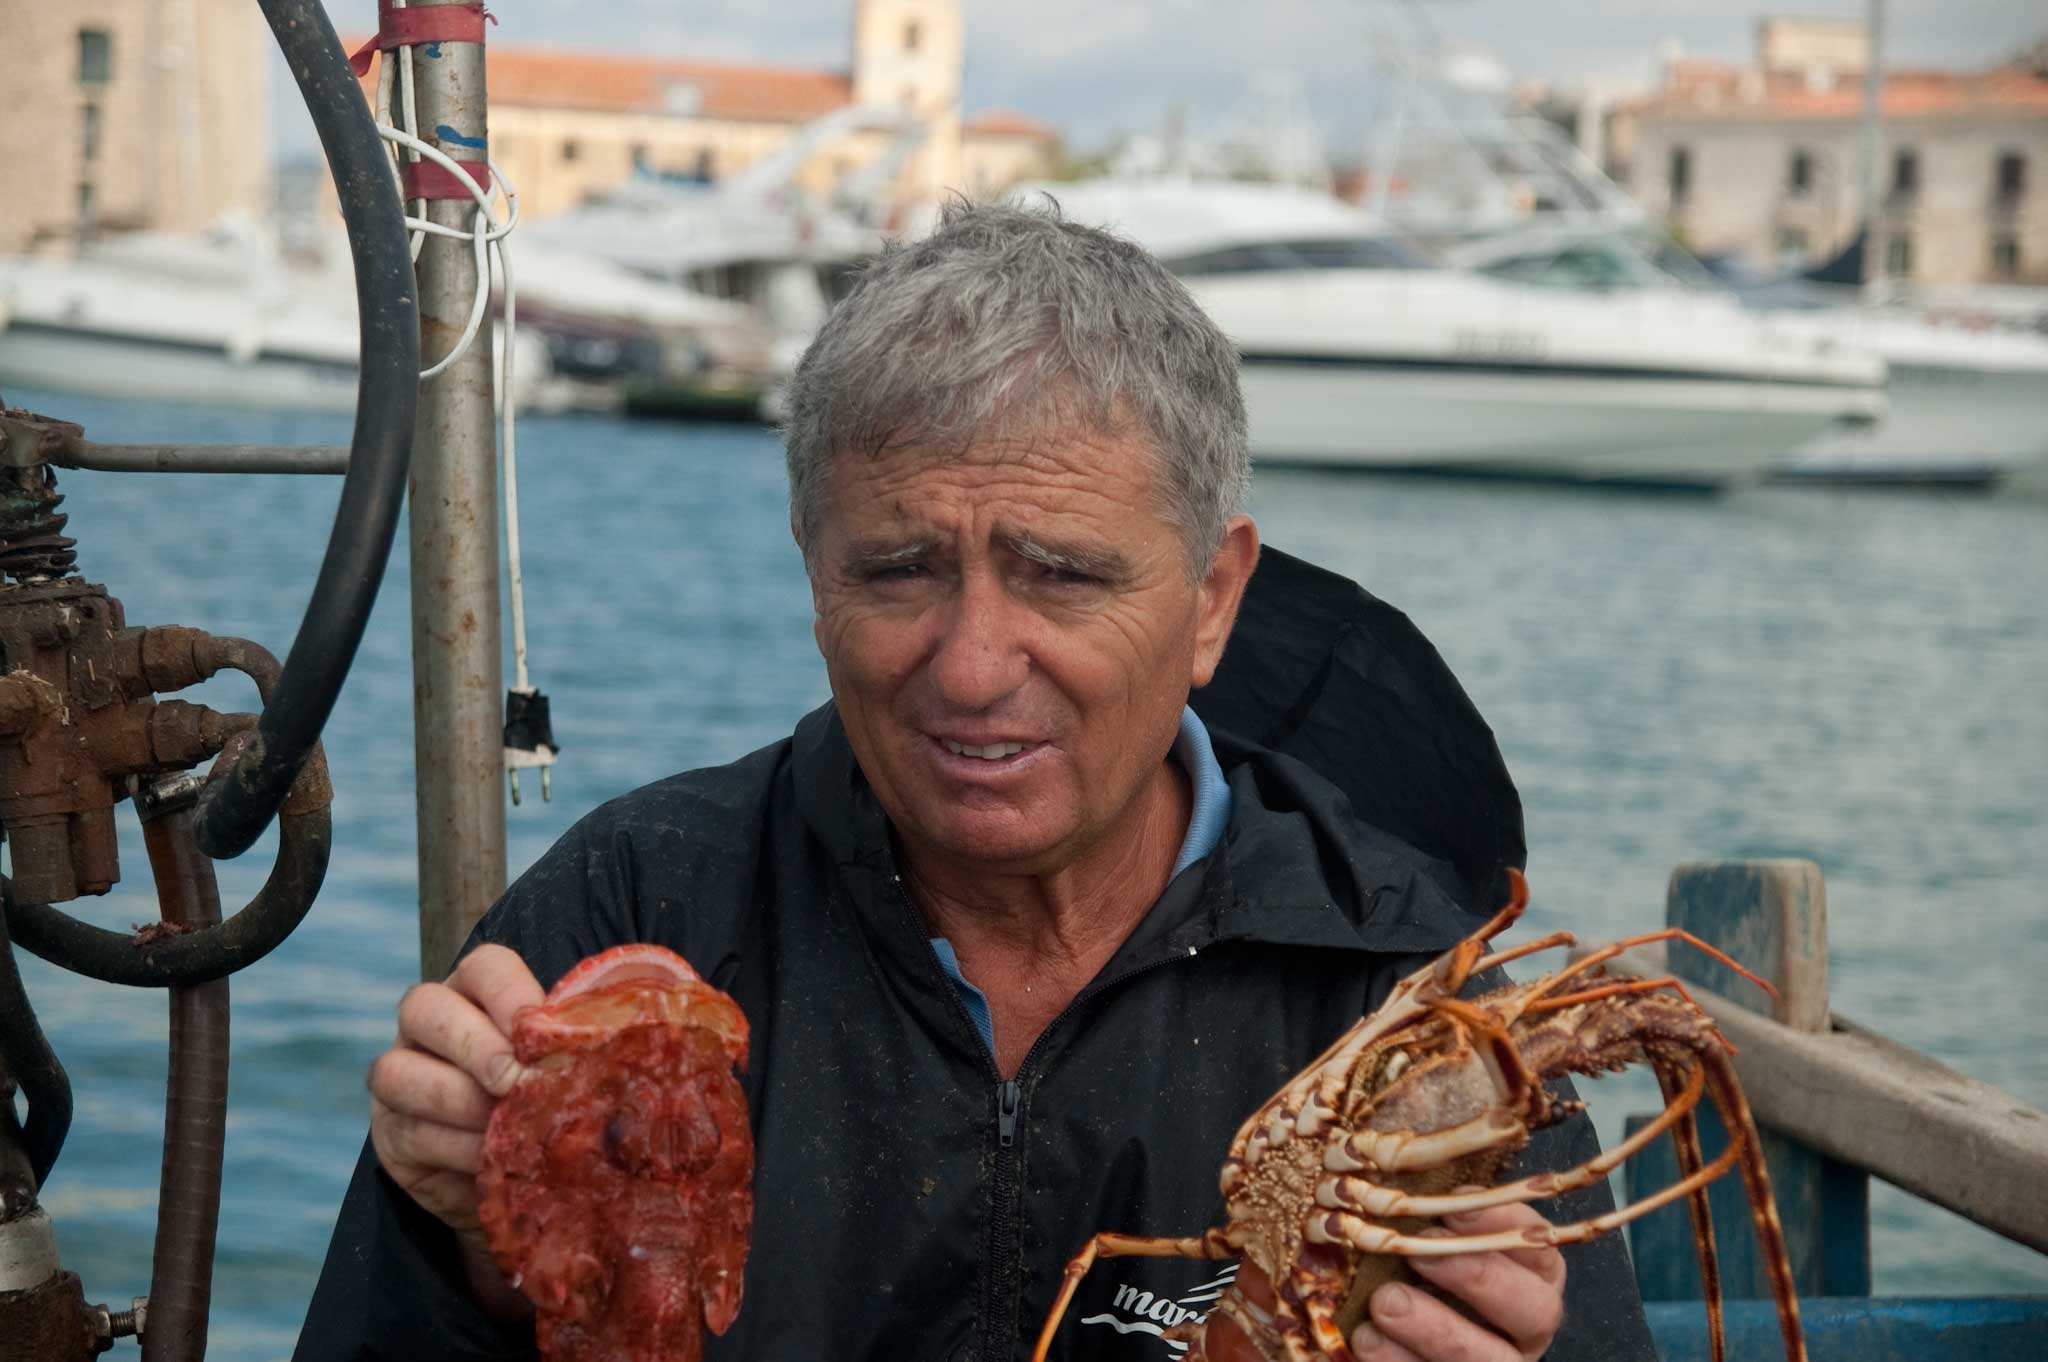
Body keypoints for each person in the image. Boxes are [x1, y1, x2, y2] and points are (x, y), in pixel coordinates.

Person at [295, 201, 1654, 1362]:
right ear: (812, 569)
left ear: (1210, 600)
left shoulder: (1401, 985)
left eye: (1061, 572)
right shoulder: (627, 914)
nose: (972, 664)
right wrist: (466, 1249)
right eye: (897, 570)